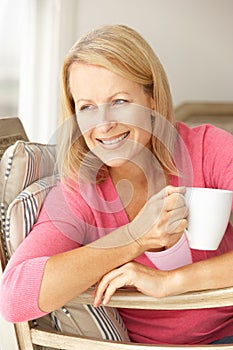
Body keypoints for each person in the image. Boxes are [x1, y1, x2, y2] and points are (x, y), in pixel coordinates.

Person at [0, 24, 233, 345]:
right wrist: (134, 237)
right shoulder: (80, 191)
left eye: (120, 101)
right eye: (87, 108)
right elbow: (14, 298)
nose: (104, 125)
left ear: (152, 100)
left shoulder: (208, 149)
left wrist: (170, 282)